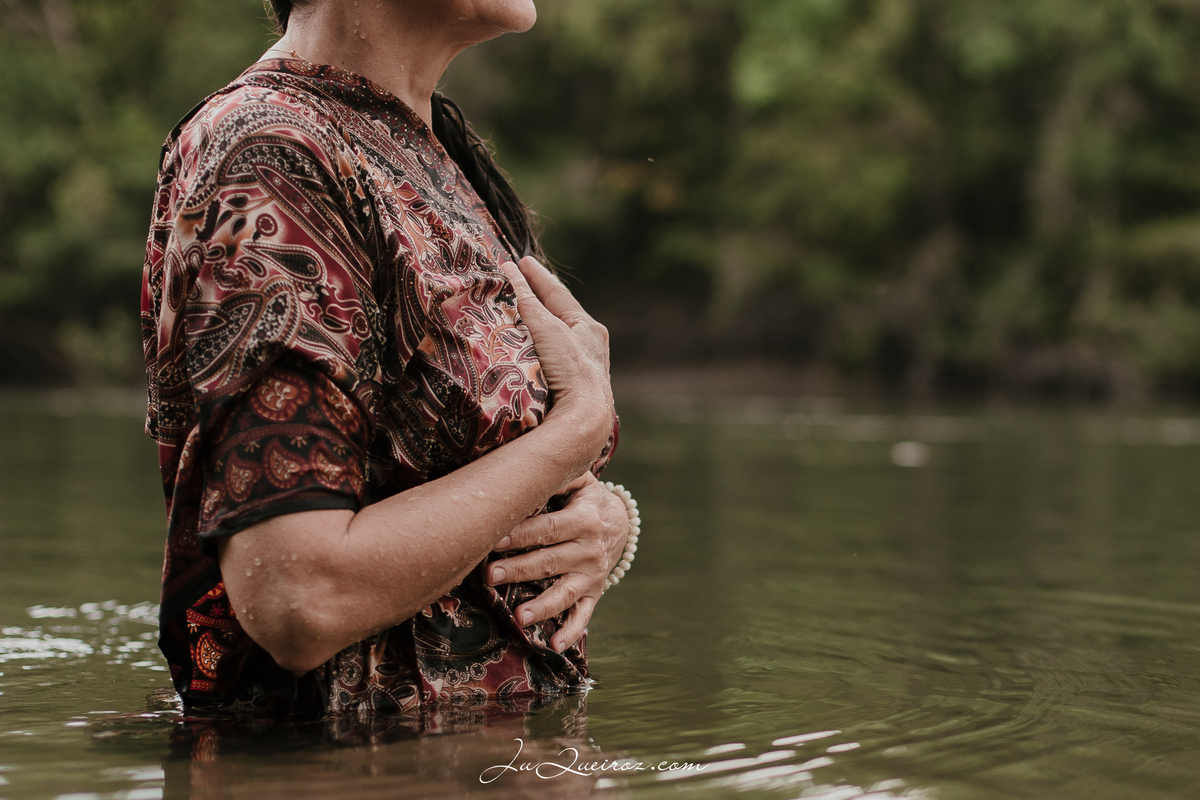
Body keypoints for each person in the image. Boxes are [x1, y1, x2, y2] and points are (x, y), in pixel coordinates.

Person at [140, 0, 632, 717]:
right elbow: (295, 596)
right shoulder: (274, 155)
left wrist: (606, 522)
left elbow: (470, 475)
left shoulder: (424, 148)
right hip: (345, 770)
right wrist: (576, 431)